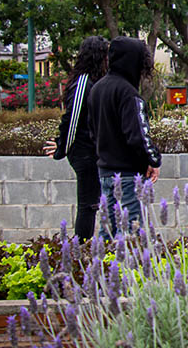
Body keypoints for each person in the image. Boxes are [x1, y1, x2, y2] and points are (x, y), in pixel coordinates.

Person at [87, 36, 161, 238]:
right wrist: (152, 159)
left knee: (107, 231)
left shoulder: (97, 89)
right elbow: (138, 135)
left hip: (104, 171)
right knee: (130, 232)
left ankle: (104, 268)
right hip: (128, 175)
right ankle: (126, 270)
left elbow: (92, 131)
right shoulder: (129, 94)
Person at [42, 36, 109, 242]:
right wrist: (62, 147)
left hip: (94, 152)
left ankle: (89, 247)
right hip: (84, 153)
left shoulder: (95, 82)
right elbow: (72, 120)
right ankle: (81, 247)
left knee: (95, 204)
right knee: (88, 205)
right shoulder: (83, 83)